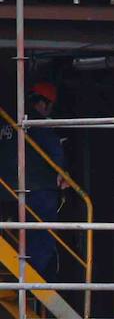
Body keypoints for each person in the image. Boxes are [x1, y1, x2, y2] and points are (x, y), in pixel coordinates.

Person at [0, 82, 67, 280]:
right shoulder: (38, 123)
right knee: (41, 232)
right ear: (45, 104)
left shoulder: (7, 121)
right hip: (36, 189)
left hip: (5, 191)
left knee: (22, 231)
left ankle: (20, 269)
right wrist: (61, 174)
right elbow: (55, 150)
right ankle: (31, 274)